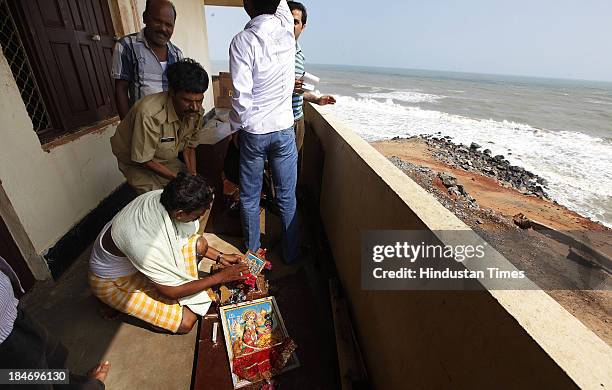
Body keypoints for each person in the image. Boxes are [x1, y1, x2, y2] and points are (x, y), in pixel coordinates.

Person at [89, 173, 249, 334]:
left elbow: (185, 237)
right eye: (197, 216)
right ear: (179, 214)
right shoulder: (144, 245)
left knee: (200, 244)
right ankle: (109, 302)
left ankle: (153, 292)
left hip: (137, 263)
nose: (198, 220)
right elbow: (170, 291)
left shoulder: (161, 197)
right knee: (187, 321)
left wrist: (221, 257)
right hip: (112, 282)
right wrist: (220, 277)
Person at [229, 0, 299, 264]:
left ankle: (253, 257)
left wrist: (237, 127)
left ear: (247, 5)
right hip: (283, 130)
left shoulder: (242, 41)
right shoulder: (287, 34)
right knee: (286, 196)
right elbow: (279, 6)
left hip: (255, 132)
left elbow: (241, 97)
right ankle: (291, 255)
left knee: (249, 198)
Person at [0, 256, 110, 389]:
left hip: (10, 312)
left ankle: (74, 387)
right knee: (29, 380)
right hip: (5, 343)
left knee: (50, 358)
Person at [110, 59, 208, 195]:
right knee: (161, 199)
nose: (195, 107)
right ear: (172, 92)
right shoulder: (148, 113)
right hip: (137, 163)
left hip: (165, 158)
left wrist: (192, 175)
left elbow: (189, 147)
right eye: (187, 100)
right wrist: (178, 180)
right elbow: (143, 160)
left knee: (189, 192)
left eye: (199, 100)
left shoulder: (196, 112)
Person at [112, 0, 183, 120]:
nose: (163, 29)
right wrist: (127, 128)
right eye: (157, 21)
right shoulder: (127, 45)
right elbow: (121, 89)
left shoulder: (176, 54)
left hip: (170, 124)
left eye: (169, 25)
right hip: (142, 125)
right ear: (145, 18)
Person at [288, 1, 336, 152]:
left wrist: (317, 99)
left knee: (291, 168)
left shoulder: (300, 55)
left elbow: (299, 90)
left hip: (298, 119)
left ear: (303, 27)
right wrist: (288, 85)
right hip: (279, 123)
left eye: (296, 22)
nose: (291, 25)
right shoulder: (273, 51)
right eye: (287, 20)